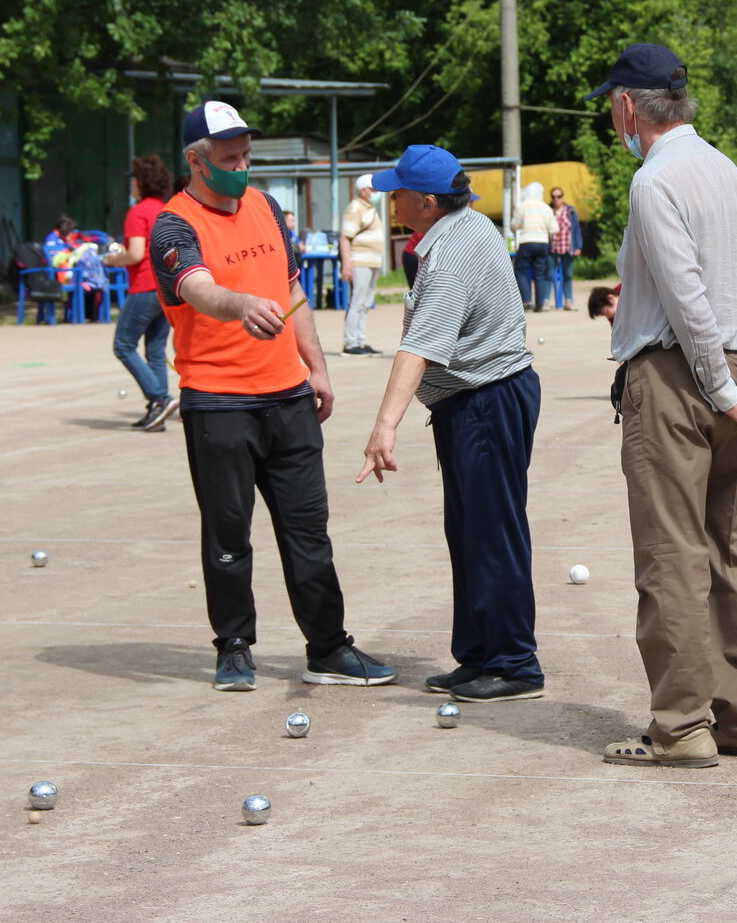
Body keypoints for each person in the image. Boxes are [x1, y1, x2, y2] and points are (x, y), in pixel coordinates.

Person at [151, 99, 395, 691]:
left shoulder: (264, 206)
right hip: (219, 402)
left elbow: (292, 291)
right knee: (228, 535)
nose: (242, 165)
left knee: (309, 532)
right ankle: (234, 646)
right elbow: (199, 289)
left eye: (246, 154)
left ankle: (329, 647)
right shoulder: (174, 224)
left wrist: (317, 366)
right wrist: (241, 305)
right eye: (229, 158)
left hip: (288, 398)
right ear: (196, 161)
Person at [584, 42, 737, 768]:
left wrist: (729, 391)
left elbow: (685, 302)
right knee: (726, 549)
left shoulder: (655, 181)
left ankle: (681, 728)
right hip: (725, 372)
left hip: (675, 380)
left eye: (612, 104)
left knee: (671, 556)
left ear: (628, 107)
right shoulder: (728, 171)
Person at [357, 145, 544, 704]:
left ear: (426, 201)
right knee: (467, 532)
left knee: (493, 531)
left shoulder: (453, 251)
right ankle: (481, 654)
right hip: (471, 402)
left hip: (488, 400)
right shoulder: (458, 229)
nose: (391, 199)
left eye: (398, 192)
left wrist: (383, 426)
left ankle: (515, 663)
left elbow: (419, 348)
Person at [103, 155, 177, 431]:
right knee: (155, 350)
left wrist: (111, 259)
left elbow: (135, 254)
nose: (131, 185)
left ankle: (159, 398)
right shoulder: (168, 209)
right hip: (166, 287)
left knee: (123, 345)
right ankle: (158, 411)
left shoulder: (138, 212)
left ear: (142, 182)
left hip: (145, 285)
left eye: (133, 179)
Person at [339, 173, 386, 357]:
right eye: (373, 189)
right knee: (357, 302)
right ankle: (350, 343)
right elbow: (345, 238)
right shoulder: (355, 208)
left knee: (366, 303)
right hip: (360, 260)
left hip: (373, 261)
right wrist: (347, 265)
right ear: (363, 190)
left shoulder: (370, 208)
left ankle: (361, 340)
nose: (376, 193)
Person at [511, 182, 558, 311]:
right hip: (543, 243)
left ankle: (526, 301)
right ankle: (540, 304)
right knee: (540, 274)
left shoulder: (522, 207)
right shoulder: (546, 208)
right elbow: (555, 228)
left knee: (520, 271)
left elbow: (514, 225)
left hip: (527, 242)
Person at [549, 186, 584, 310]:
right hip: (552, 248)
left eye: (558, 196)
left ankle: (568, 301)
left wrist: (578, 246)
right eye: (553, 197)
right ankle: (546, 301)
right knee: (549, 274)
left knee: (568, 275)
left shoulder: (571, 211)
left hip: (567, 247)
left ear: (562, 197)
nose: (556, 199)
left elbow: (576, 230)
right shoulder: (548, 210)